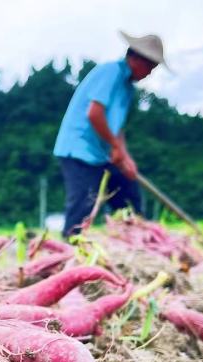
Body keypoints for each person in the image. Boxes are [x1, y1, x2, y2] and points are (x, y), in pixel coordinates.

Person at [53, 31, 168, 238]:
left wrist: (125, 156)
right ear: (136, 59)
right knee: (83, 205)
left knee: (129, 198)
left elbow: (117, 128)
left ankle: (134, 243)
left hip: (101, 153)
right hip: (79, 149)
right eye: (150, 67)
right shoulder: (111, 72)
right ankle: (70, 250)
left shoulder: (128, 89)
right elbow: (94, 114)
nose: (150, 73)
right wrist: (115, 146)